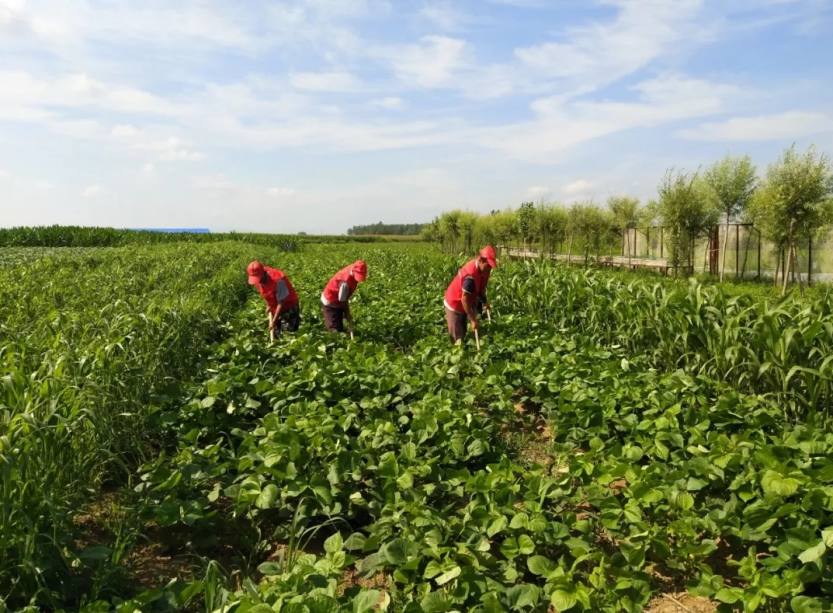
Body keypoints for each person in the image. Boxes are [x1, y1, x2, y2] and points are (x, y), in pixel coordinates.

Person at [443, 246, 497, 343]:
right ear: (481, 260)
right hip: (454, 303)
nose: (489, 269)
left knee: (463, 329)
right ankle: (458, 352)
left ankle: (465, 343)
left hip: (465, 302)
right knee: (457, 338)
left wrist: (485, 302)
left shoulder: (484, 271)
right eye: (488, 265)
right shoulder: (470, 276)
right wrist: (472, 320)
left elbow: (481, 289)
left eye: (491, 267)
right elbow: (464, 299)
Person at [247, 260, 300, 337]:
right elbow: (265, 293)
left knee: (289, 333)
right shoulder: (258, 280)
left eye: (258, 278)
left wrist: (274, 321)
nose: (257, 281)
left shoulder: (278, 280)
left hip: (288, 305)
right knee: (276, 334)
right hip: (275, 307)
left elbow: (281, 303)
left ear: (263, 274)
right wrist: (269, 305)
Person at [321, 260, 367, 333]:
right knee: (334, 328)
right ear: (354, 271)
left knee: (339, 324)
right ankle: (332, 336)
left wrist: (346, 314)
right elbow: (343, 301)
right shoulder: (345, 282)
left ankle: (340, 331)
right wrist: (347, 314)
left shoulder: (352, 268)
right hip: (330, 300)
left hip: (339, 299)